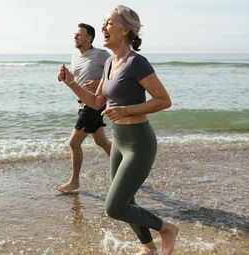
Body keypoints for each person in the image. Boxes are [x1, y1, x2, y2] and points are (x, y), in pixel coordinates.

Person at [57, 5, 179, 255]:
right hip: (119, 142)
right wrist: (71, 83)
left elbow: (163, 100)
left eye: (108, 23)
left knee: (114, 207)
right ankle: (148, 248)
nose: (103, 27)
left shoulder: (137, 62)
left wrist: (127, 110)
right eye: (103, 23)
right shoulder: (109, 63)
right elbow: (95, 102)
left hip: (139, 144)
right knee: (127, 201)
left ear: (124, 30)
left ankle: (166, 228)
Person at [55, 23, 112, 193]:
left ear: (89, 38)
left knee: (73, 143)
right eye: (75, 34)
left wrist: (98, 82)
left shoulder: (101, 55)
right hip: (82, 103)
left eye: (79, 35)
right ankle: (125, 168)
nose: (75, 37)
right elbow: (76, 78)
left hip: (94, 104)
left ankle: (74, 182)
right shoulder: (75, 55)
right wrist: (64, 77)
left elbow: (115, 72)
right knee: (101, 141)